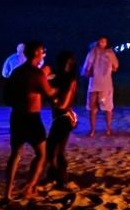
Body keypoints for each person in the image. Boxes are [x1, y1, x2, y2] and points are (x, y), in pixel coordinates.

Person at [4, 42, 57, 202]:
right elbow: (49, 93)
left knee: (15, 154)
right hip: (32, 118)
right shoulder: (36, 73)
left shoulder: (16, 72)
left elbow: (6, 97)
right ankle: (29, 187)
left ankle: (8, 193)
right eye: (42, 51)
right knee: (42, 154)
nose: (44, 54)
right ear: (35, 52)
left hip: (16, 116)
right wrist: (58, 86)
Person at [45, 50, 80, 188]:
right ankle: (56, 176)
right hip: (61, 117)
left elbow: (63, 105)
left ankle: (61, 179)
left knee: (55, 149)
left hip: (64, 117)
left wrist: (52, 97)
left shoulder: (69, 80)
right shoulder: (59, 78)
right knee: (53, 148)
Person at [82, 36, 120, 136]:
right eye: (101, 41)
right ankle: (95, 130)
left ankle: (106, 129)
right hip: (95, 84)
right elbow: (87, 69)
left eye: (104, 41)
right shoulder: (92, 52)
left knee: (105, 108)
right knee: (94, 108)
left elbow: (115, 67)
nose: (102, 43)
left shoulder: (109, 53)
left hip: (103, 84)